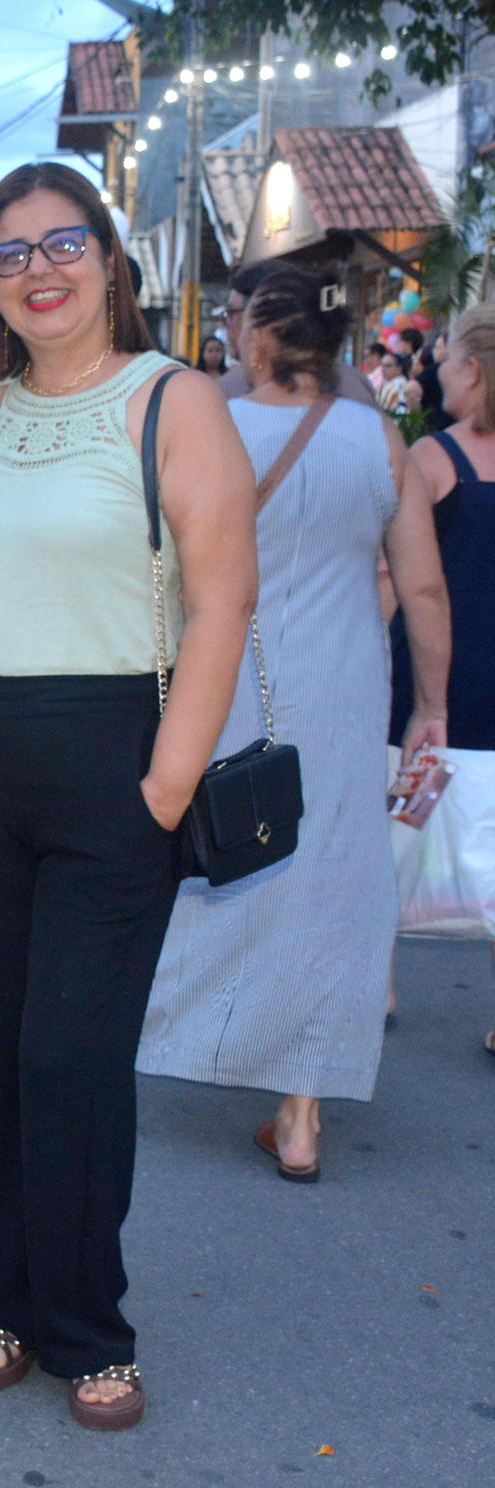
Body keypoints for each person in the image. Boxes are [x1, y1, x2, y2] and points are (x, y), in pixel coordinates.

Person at [0, 161, 257, 1429]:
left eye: (62, 244)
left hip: (115, 760)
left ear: (110, 261)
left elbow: (220, 601)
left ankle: (88, 1327)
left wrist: (164, 785)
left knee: (70, 1054)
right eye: (9, 254)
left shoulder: (172, 400)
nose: (38, 271)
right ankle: (5, 1300)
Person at [141, 267, 450, 1182]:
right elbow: (422, 586)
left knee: (216, 857)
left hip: (223, 676)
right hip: (346, 685)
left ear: (264, 337)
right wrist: (431, 705)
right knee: (334, 877)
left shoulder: (213, 426)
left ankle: (177, 1033)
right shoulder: (378, 437)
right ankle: (302, 1112)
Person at [389, 302, 495, 1054]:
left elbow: (396, 573)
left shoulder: (432, 458)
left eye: (449, 357)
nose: (439, 371)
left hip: (438, 678)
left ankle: (381, 978)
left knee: (400, 824)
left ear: (475, 370)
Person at [218, 266, 375, 405]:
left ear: (262, 326)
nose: (227, 324)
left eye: (231, 313)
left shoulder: (223, 396)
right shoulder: (357, 385)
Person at [377, 351, 418, 415]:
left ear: (399, 369)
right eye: (382, 365)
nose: (383, 369)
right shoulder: (389, 383)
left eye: (388, 366)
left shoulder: (399, 384)